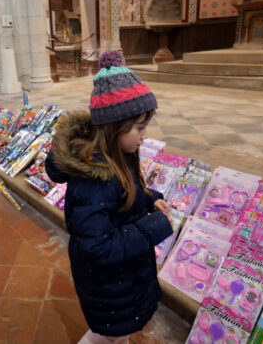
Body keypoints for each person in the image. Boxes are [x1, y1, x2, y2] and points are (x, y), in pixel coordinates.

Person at [45, 50, 173, 343]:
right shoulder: (94, 179)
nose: (145, 135)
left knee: (119, 333)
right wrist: (153, 227)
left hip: (123, 277)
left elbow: (125, 193)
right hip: (109, 282)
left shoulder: (117, 154)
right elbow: (98, 246)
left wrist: (149, 197)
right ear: (115, 127)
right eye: (140, 127)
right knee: (109, 335)